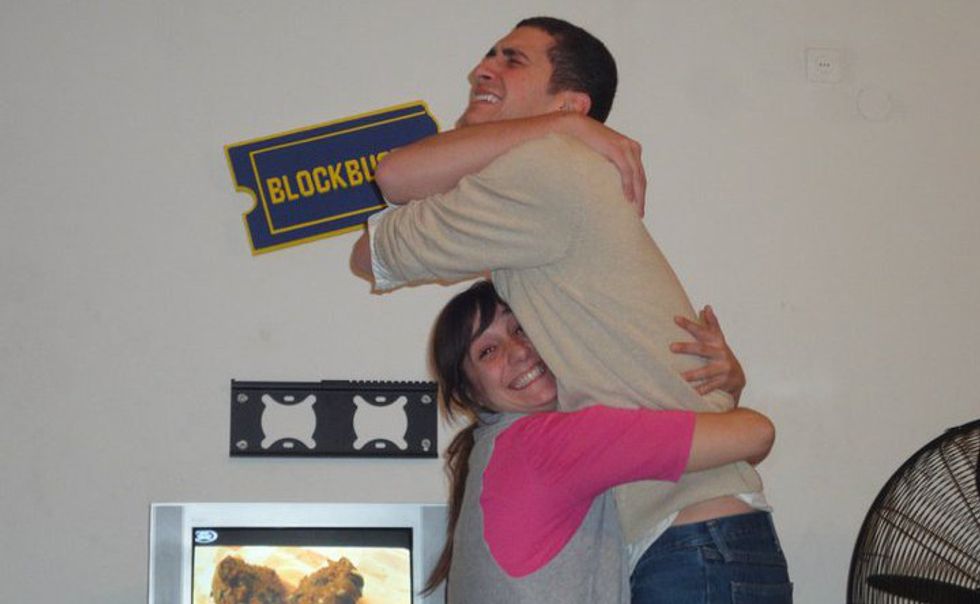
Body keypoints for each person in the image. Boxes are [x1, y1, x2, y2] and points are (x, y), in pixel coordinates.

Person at [351, 17, 791, 602]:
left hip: (694, 541)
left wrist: (562, 129)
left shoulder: (544, 172)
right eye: (490, 56)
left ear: (569, 104)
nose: (482, 70)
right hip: (696, 539)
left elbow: (386, 203)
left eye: (512, 60)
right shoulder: (545, 188)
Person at [423, 281, 777, 603]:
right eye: (488, 351)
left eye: (521, 328)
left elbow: (705, 455)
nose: (517, 351)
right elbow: (757, 434)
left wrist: (728, 389)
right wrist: (727, 392)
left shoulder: (496, 455)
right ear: (471, 392)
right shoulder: (545, 444)